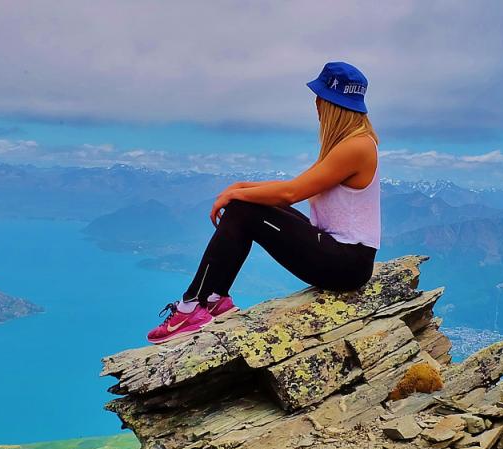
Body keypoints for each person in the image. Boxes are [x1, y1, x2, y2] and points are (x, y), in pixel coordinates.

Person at [146, 61, 382, 343]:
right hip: (342, 257)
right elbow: (293, 187)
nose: (316, 106)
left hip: (345, 265)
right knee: (246, 205)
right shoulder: (353, 143)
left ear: (328, 103)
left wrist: (237, 195)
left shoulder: (356, 147)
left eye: (319, 99)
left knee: (243, 210)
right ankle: (213, 299)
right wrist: (242, 187)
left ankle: (192, 305)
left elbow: (291, 193)